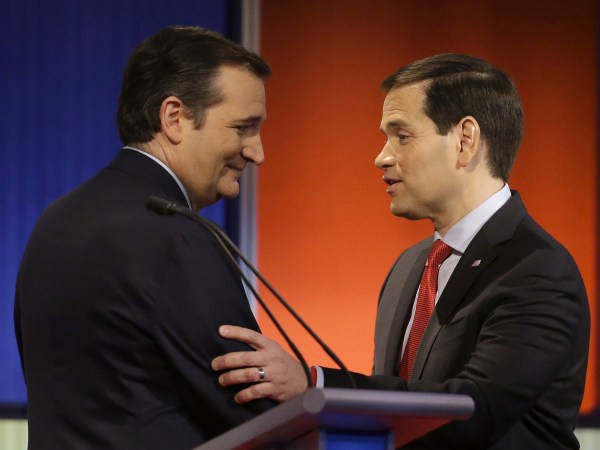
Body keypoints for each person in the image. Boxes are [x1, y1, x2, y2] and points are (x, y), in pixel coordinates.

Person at [211, 53, 590, 449]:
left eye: (402, 137)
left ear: (465, 140)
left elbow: (474, 411)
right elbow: (390, 419)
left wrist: (313, 384)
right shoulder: (410, 266)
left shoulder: (536, 270)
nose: (382, 157)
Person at [14, 25, 277, 450]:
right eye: (243, 127)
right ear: (174, 118)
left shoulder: (54, 223)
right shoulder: (176, 236)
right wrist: (307, 389)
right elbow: (253, 408)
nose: (257, 152)